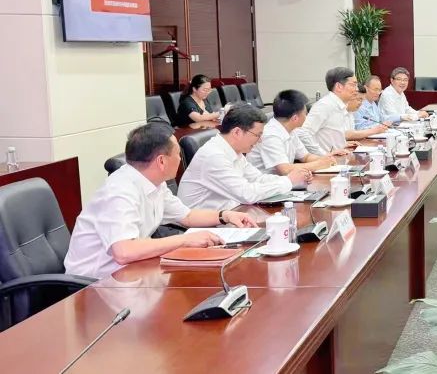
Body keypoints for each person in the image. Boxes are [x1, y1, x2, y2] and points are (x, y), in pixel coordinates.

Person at [64, 123, 256, 279]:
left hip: (133, 273)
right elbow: (124, 251)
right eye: (178, 154)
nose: (180, 159)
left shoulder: (154, 182)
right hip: (95, 285)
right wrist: (185, 240)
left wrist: (225, 216)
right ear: (161, 161)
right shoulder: (119, 191)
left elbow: (187, 216)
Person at [178, 104, 310, 210]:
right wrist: (288, 181)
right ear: (237, 132)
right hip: (203, 227)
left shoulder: (234, 151)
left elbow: (258, 178)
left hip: (230, 214)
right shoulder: (214, 156)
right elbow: (247, 194)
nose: (260, 140)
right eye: (257, 135)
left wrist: (294, 179)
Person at [247, 90, 346, 175]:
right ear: (295, 118)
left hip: (283, 183)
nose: (307, 117)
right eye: (305, 114)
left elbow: (306, 157)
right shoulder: (270, 135)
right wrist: (318, 164)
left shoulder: (291, 130)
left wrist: (326, 158)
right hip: (265, 186)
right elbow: (285, 170)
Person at [296, 67, 378, 155]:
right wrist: (323, 154)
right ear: (339, 86)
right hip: (327, 161)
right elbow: (303, 133)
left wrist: (342, 144)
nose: (357, 89)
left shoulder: (341, 106)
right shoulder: (325, 105)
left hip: (339, 157)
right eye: (353, 85)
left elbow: (328, 135)